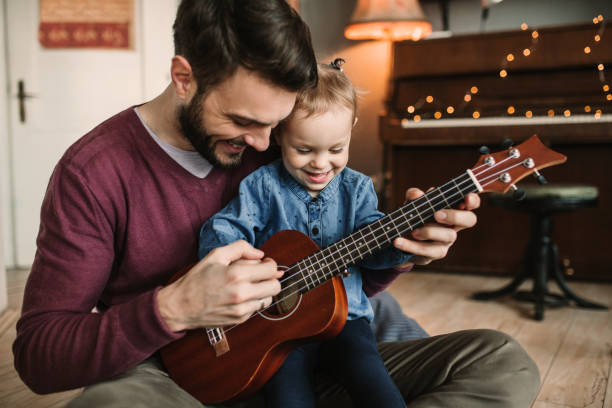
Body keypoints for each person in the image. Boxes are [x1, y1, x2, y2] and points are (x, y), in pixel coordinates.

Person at [11, 1, 540, 407]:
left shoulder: (293, 151)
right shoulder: (93, 172)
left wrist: (402, 250)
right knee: (113, 402)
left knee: (502, 362)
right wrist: (171, 308)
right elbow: (38, 354)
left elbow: (328, 289)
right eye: (243, 122)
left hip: (301, 358)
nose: (264, 146)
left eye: (277, 125)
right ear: (184, 78)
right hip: (183, 379)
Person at [198, 59, 413, 408]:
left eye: (336, 149)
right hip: (280, 332)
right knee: (287, 399)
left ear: (351, 130)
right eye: (304, 150)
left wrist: (405, 245)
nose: (320, 163)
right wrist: (239, 269)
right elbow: (222, 230)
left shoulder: (357, 189)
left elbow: (376, 252)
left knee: (381, 393)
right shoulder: (263, 186)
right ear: (280, 133)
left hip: (348, 322)